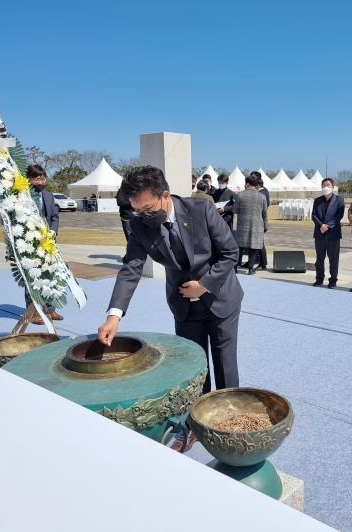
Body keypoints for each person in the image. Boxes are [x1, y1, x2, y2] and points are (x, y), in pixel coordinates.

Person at [98, 166, 243, 450]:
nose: (143, 215)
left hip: (220, 299)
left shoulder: (200, 210)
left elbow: (230, 253)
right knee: (195, 367)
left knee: (225, 365)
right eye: (137, 210)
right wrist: (114, 315)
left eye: (148, 208)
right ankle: (197, 423)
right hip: (184, 306)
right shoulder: (139, 225)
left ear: (165, 196)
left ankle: (228, 421)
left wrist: (204, 285)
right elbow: (131, 268)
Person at [24, 164, 63, 324]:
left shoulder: (48, 195)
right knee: (31, 276)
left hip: (48, 242)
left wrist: (53, 231)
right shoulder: (23, 195)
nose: (41, 181)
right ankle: (32, 311)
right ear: (29, 179)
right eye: (37, 178)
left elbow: (54, 216)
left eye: (43, 177)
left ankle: (49, 308)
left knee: (49, 274)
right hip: (29, 243)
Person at [312, 177, 345, 288]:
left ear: (333, 187)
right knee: (319, 258)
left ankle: (333, 280)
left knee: (333, 259)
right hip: (319, 233)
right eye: (324, 185)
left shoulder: (339, 200)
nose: (326, 187)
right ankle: (319, 278)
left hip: (333, 234)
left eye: (328, 185)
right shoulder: (317, 200)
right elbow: (314, 215)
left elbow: (338, 216)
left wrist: (328, 226)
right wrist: (320, 225)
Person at [232, 173, 268, 275]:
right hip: (257, 225)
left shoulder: (239, 195)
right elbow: (265, 213)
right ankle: (251, 268)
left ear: (247, 183)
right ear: (256, 184)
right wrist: (266, 226)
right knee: (254, 246)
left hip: (242, 225)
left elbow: (235, 210)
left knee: (239, 246)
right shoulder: (262, 197)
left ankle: (235, 267)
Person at [255, 173, 270, 270]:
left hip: (259, 220)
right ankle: (260, 261)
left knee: (260, 243)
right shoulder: (263, 191)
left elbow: (265, 206)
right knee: (258, 243)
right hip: (258, 220)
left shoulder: (262, 192)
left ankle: (263, 263)